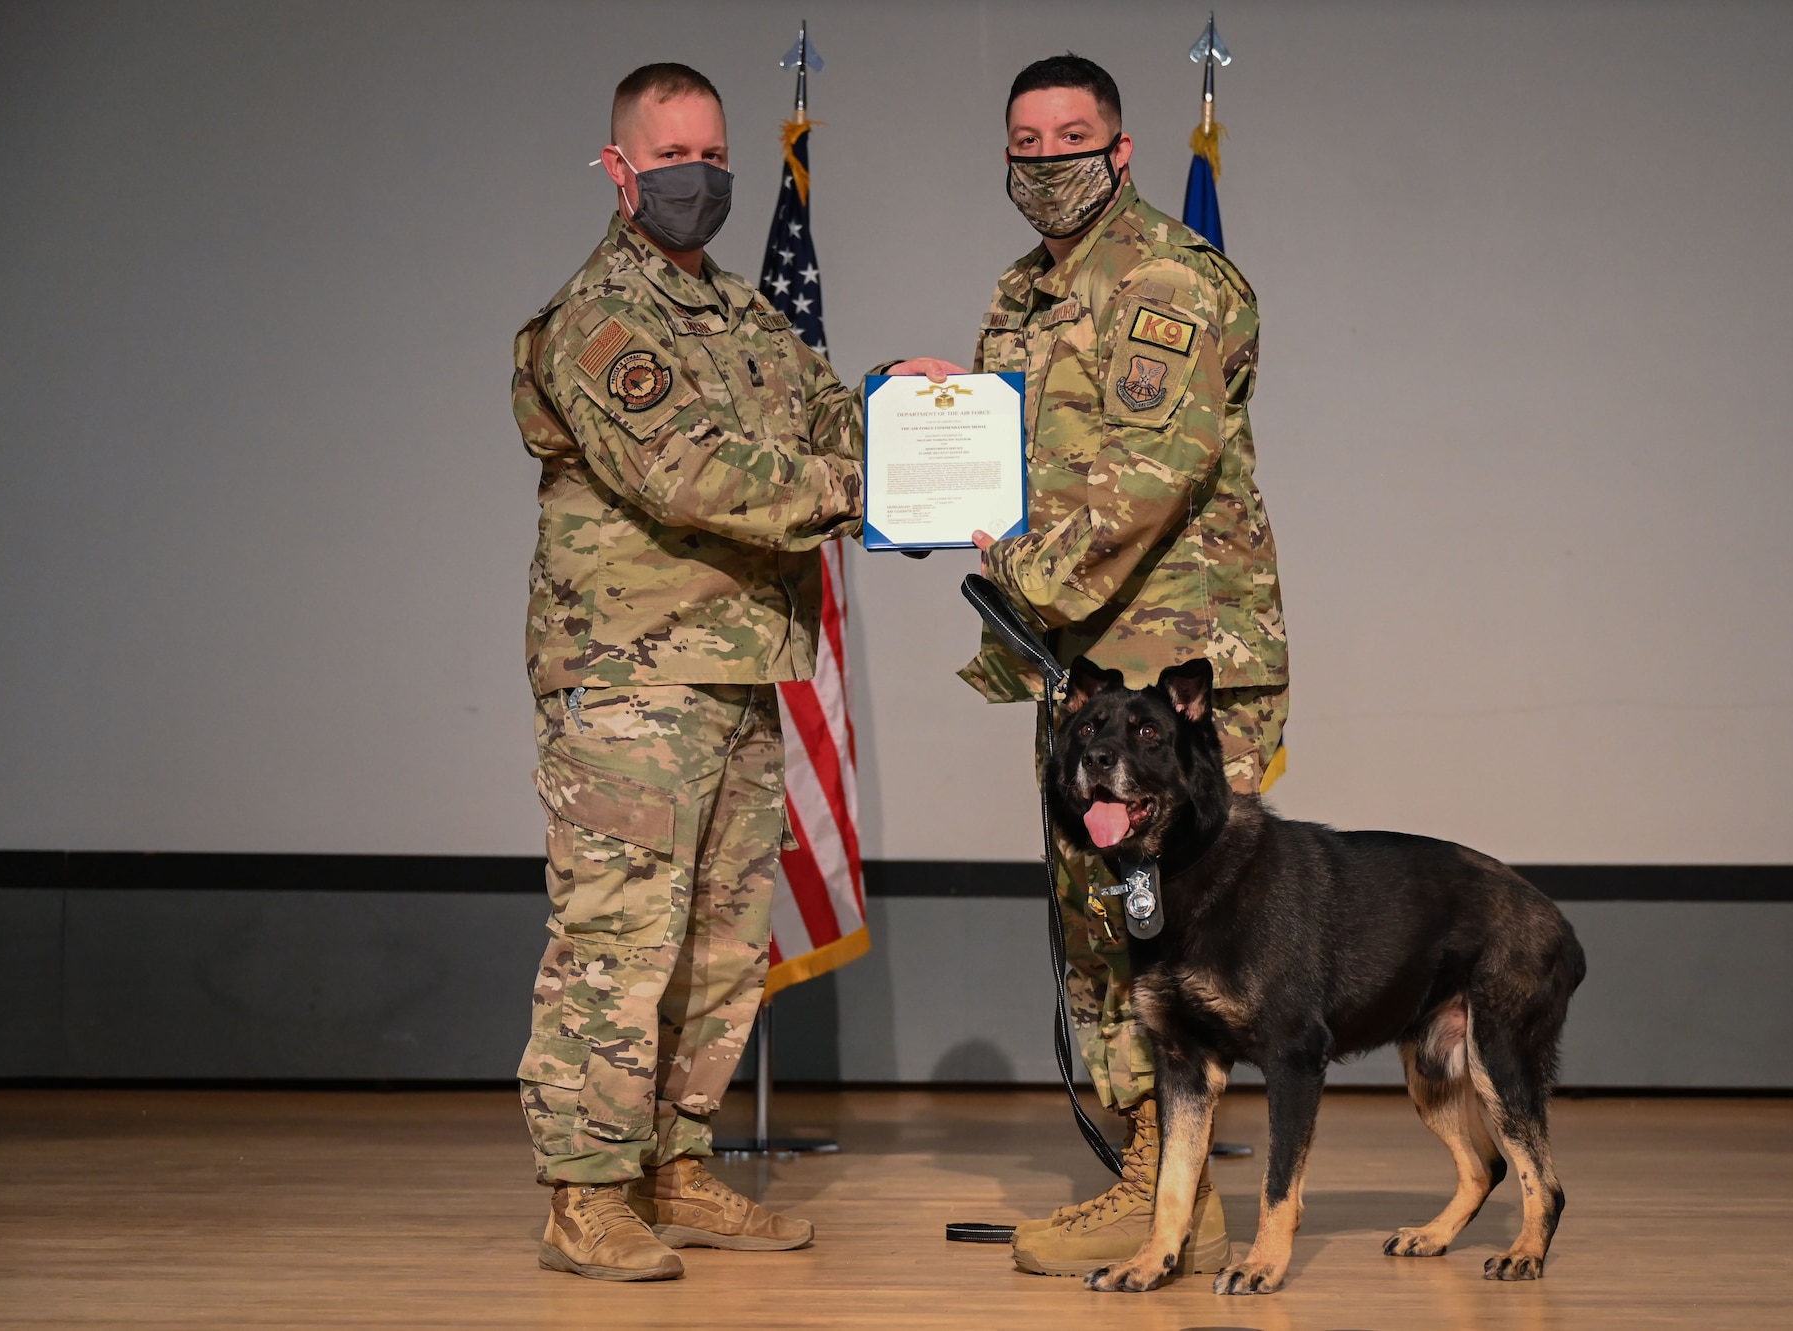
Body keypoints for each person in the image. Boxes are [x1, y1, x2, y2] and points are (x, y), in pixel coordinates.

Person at [890, 53, 1290, 1277]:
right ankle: (1149, 1182)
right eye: (1026, 137)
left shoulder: (1169, 278)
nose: (1047, 157)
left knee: (1187, 939)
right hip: (1085, 671)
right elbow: (1021, 449)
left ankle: (1175, 1191)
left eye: (1073, 135)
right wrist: (932, 424)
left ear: (1120, 149)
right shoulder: (1021, 292)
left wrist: (1015, 565)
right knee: (1103, 925)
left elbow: (1144, 472)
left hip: (1175, 663)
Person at [511, 61, 863, 1282]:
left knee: (720, 938)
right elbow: (695, 475)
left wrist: (921, 420)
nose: (697, 178)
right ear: (618, 169)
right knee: (619, 938)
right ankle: (584, 1189)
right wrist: (861, 484)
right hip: (629, 681)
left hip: (738, 668)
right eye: (670, 159)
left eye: (713, 157)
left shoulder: (743, 314)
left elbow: (828, 421)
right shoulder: (601, 318)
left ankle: (673, 1161)